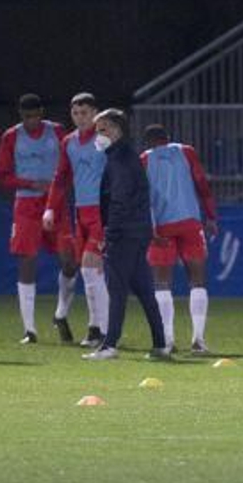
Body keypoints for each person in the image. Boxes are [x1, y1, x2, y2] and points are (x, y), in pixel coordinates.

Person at [83, 109, 168, 361]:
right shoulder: (125, 155)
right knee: (144, 290)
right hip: (137, 231)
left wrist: (110, 233)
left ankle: (110, 345)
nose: (98, 135)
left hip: (124, 233)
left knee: (117, 289)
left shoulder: (120, 159)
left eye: (102, 129)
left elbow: (119, 199)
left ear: (117, 130)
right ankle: (160, 344)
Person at [0, 94, 78, 344]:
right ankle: (29, 330)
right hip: (26, 204)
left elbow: (70, 163)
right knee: (27, 262)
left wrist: (59, 186)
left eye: (34, 115)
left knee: (70, 261)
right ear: (20, 115)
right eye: (26, 116)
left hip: (55, 203)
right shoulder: (11, 136)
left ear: (41, 113)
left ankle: (60, 314)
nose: (30, 121)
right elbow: (2, 174)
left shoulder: (58, 132)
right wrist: (30, 183)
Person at [142, 124, 220, 353]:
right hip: (190, 222)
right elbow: (202, 184)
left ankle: (167, 340)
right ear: (168, 138)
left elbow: (143, 198)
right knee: (197, 280)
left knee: (162, 283)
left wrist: (150, 229)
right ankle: (198, 340)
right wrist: (211, 216)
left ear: (147, 142)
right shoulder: (187, 151)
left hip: (161, 227)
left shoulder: (144, 160)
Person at [44, 92, 110, 348]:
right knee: (89, 271)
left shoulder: (104, 140)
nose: (80, 118)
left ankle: (101, 329)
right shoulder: (69, 142)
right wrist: (50, 209)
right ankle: (98, 328)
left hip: (102, 212)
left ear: (95, 113)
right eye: (75, 113)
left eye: (84, 113)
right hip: (80, 212)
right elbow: (61, 177)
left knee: (91, 269)